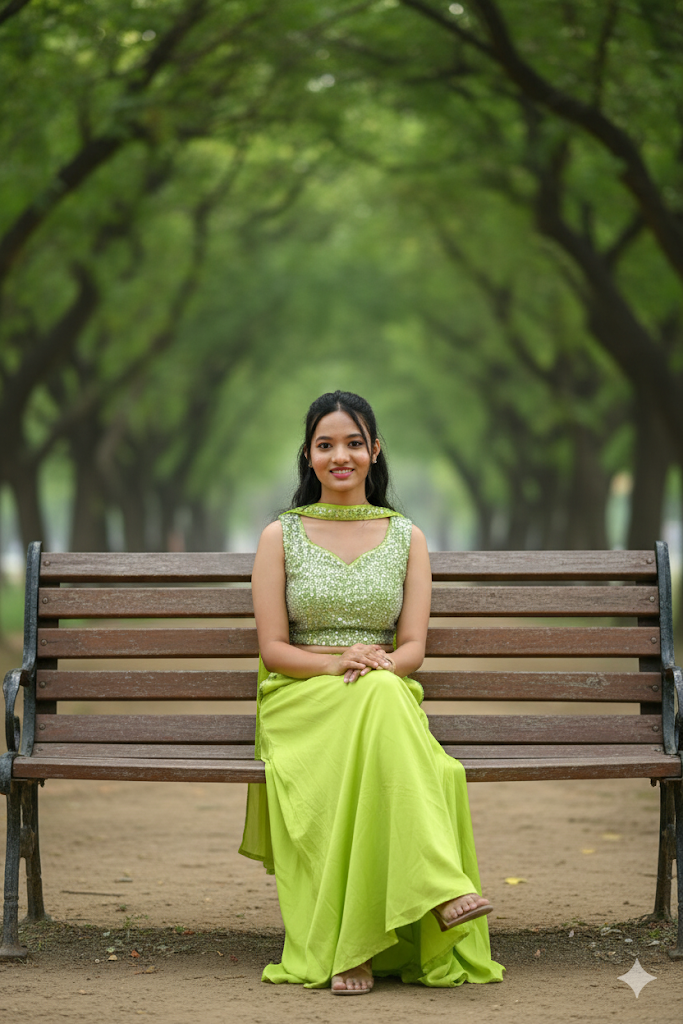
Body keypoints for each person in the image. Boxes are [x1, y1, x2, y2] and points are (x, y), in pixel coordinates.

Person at [239, 390, 505, 994]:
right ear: (308, 456)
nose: (341, 456)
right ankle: (442, 889)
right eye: (326, 445)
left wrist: (377, 665)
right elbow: (274, 649)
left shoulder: (407, 537)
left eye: (353, 443)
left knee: (385, 695)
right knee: (382, 702)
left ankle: (355, 947)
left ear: (374, 451)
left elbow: (412, 647)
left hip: (381, 690)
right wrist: (340, 661)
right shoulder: (279, 537)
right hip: (301, 693)